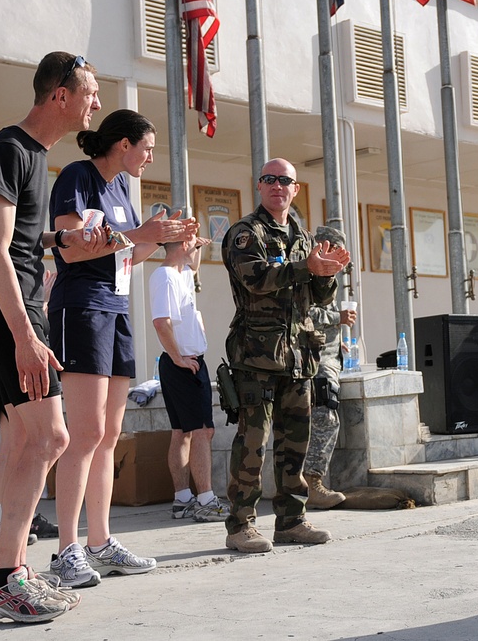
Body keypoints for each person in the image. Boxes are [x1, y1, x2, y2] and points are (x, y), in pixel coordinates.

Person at [0, 51, 105, 622]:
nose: (96, 103)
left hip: (19, 306)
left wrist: (62, 243)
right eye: (90, 93)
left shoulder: (32, 156)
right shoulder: (8, 149)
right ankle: (4, 580)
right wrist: (25, 336)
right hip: (10, 312)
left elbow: (20, 241)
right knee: (54, 438)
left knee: (25, 442)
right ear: (60, 97)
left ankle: (12, 573)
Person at [46, 109, 198, 588]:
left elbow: (127, 252)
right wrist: (141, 234)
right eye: (146, 147)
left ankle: (101, 543)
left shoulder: (122, 192)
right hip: (82, 309)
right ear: (123, 143)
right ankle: (66, 550)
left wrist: (166, 238)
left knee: (110, 436)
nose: (150, 157)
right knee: (85, 433)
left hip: (116, 310)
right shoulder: (78, 176)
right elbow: (70, 248)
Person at [221, 158, 350, 553]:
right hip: (257, 356)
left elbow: (319, 297)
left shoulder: (304, 237)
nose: (278, 186)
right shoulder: (246, 233)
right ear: (260, 186)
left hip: (298, 354)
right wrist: (304, 267)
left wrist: (326, 273)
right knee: (253, 442)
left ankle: (291, 521)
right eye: (270, 179)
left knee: (295, 443)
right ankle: (241, 525)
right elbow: (255, 278)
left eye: (285, 181)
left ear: (296, 189)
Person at [149, 233, 230, 522]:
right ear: (182, 245)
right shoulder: (166, 277)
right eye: (191, 241)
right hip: (183, 363)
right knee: (202, 431)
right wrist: (177, 358)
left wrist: (196, 243)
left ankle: (183, 499)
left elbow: (193, 266)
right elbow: (161, 322)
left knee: (183, 432)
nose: (196, 245)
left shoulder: (181, 272)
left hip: (184, 362)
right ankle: (205, 499)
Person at [0, 271, 60, 548]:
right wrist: (44, 301)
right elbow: (22, 318)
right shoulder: (9, 270)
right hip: (15, 356)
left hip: (14, 356)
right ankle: (5, 521)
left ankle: (9, 518)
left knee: (19, 441)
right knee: (18, 441)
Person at [302, 225, 358, 510]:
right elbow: (302, 311)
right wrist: (337, 317)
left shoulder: (327, 275)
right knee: (326, 413)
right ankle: (314, 482)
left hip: (328, 354)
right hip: (313, 359)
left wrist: (337, 343)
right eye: (335, 253)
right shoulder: (305, 270)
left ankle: (305, 480)